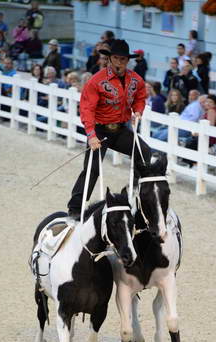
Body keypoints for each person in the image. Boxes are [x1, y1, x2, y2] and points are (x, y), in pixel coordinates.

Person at [67, 39, 151, 219]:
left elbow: (140, 96)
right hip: (100, 130)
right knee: (92, 168)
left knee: (144, 152)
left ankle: (136, 194)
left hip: (120, 129)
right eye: (116, 58)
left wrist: (138, 110)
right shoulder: (96, 81)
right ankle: (75, 207)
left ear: (128, 60)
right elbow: (87, 109)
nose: (119, 62)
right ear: (109, 59)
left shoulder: (136, 80)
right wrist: (90, 135)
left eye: (123, 59)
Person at [185, 94, 216, 165]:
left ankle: (192, 163)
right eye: (207, 102)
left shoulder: (211, 111)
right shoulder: (213, 110)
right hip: (209, 137)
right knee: (191, 140)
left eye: (210, 102)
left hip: (210, 139)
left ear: (215, 104)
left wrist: (197, 133)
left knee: (190, 141)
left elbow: (209, 127)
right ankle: (193, 163)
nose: (208, 104)